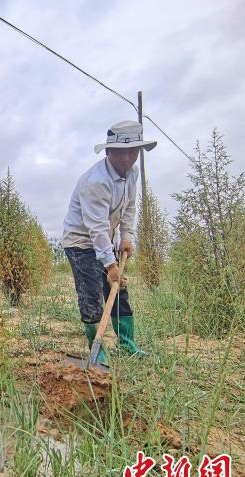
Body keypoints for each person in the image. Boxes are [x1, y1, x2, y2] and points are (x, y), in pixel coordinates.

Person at [62, 120, 157, 362]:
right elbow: (96, 228)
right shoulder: (96, 182)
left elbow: (129, 208)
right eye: (121, 152)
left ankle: (127, 344)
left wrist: (126, 238)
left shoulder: (133, 173)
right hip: (80, 242)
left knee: (118, 290)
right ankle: (98, 354)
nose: (127, 158)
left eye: (132, 151)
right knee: (92, 294)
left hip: (107, 238)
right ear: (108, 152)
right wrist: (110, 266)